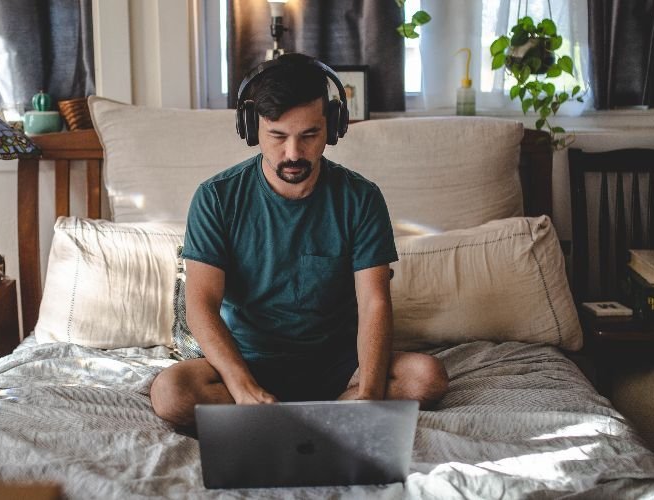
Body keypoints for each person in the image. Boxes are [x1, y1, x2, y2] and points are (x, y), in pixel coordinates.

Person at [150, 54, 448, 429]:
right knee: (170, 394)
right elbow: (201, 306)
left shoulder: (361, 197)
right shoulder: (216, 197)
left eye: (309, 135)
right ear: (252, 128)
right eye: (277, 136)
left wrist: (369, 395)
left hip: (339, 364)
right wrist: (244, 390)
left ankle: (331, 410)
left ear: (334, 127)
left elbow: (374, 302)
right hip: (247, 362)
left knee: (427, 377)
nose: (293, 153)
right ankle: (296, 413)